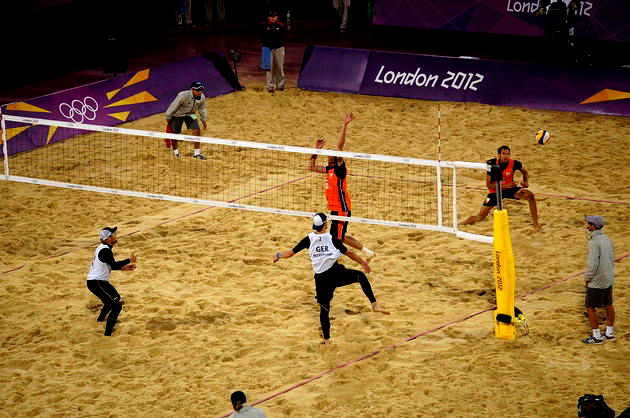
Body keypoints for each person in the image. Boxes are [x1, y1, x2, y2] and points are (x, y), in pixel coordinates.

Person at [272, 213, 390, 345]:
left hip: (322, 279)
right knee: (360, 276)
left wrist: (277, 255)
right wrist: (362, 262)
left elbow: (289, 253)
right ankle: (374, 304)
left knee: (324, 309)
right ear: (325, 225)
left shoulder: (308, 239)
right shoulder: (332, 238)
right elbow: (349, 253)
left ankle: (327, 340)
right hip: (336, 274)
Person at [309, 112, 375, 257]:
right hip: (335, 208)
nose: (328, 157)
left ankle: (341, 257)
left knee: (337, 238)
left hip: (342, 208)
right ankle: (367, 252)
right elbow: (312, 167)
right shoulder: (329, 170)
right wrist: (316, 150)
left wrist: (345, 125)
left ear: (336, 159)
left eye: (330, 156)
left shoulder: (340, 170)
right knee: (340, 236)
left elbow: (340, 146)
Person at [461, 145, 543, 232]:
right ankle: (461, 224)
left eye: (507, 154)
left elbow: (525, 171)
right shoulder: (492, 164)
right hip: (495, 191)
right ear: (499, 155)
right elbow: (489, 185)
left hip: (509, 190)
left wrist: (525, 181)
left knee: (530, 195)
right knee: (480, 217)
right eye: (503, 154)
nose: (505, 156)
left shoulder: (514, 163)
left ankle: (536, 224)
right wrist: (505, 186)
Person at [86, 227, 137, 336]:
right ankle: (107, 334)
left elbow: (110, 265)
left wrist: (123, 268)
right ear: (106, 238)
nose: (115, 236)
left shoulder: (103, 248)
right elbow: (113, 264)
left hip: (98, 282)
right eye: (112, 235)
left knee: (115, 299)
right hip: (96, 282)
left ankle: (100, 320)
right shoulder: (105, 250)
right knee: (116, 306)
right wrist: (128, 260)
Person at [581, 215, 615, 344]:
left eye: (589, 223)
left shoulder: (593, 243)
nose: (587, 225)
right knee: (608, 304)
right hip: (608, 276)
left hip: (598, 279)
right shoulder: (607, 239)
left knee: (590, 307)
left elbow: (592, 265)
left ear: (593, 226)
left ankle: (596, 336)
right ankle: (609, 333)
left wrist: (587, 278)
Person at [165, 81, 208, 159]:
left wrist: (203, 120)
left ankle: (197, 154)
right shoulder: (183, 95)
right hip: (178, 115)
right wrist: (168, 117)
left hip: (191, 114)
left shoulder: (202, 97)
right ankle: (176, 153)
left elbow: (202, 108)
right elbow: (173, 106)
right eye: (198, 90)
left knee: (197, 130)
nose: (200, 92)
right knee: (175, 134)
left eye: (201, 90)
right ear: (192, 90)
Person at [260, 9, 286, 93]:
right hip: (268, 50)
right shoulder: (264, 26)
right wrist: (267, 45)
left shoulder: (281, 25)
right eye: (271, 17)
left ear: (277, 17)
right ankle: (270, 86)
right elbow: (262, 37)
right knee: (269, 68)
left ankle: (280, 85)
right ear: (268, 17)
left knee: (279, 67)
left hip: (279, 49)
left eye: (274, 17)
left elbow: (284, 36)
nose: (273, 18)